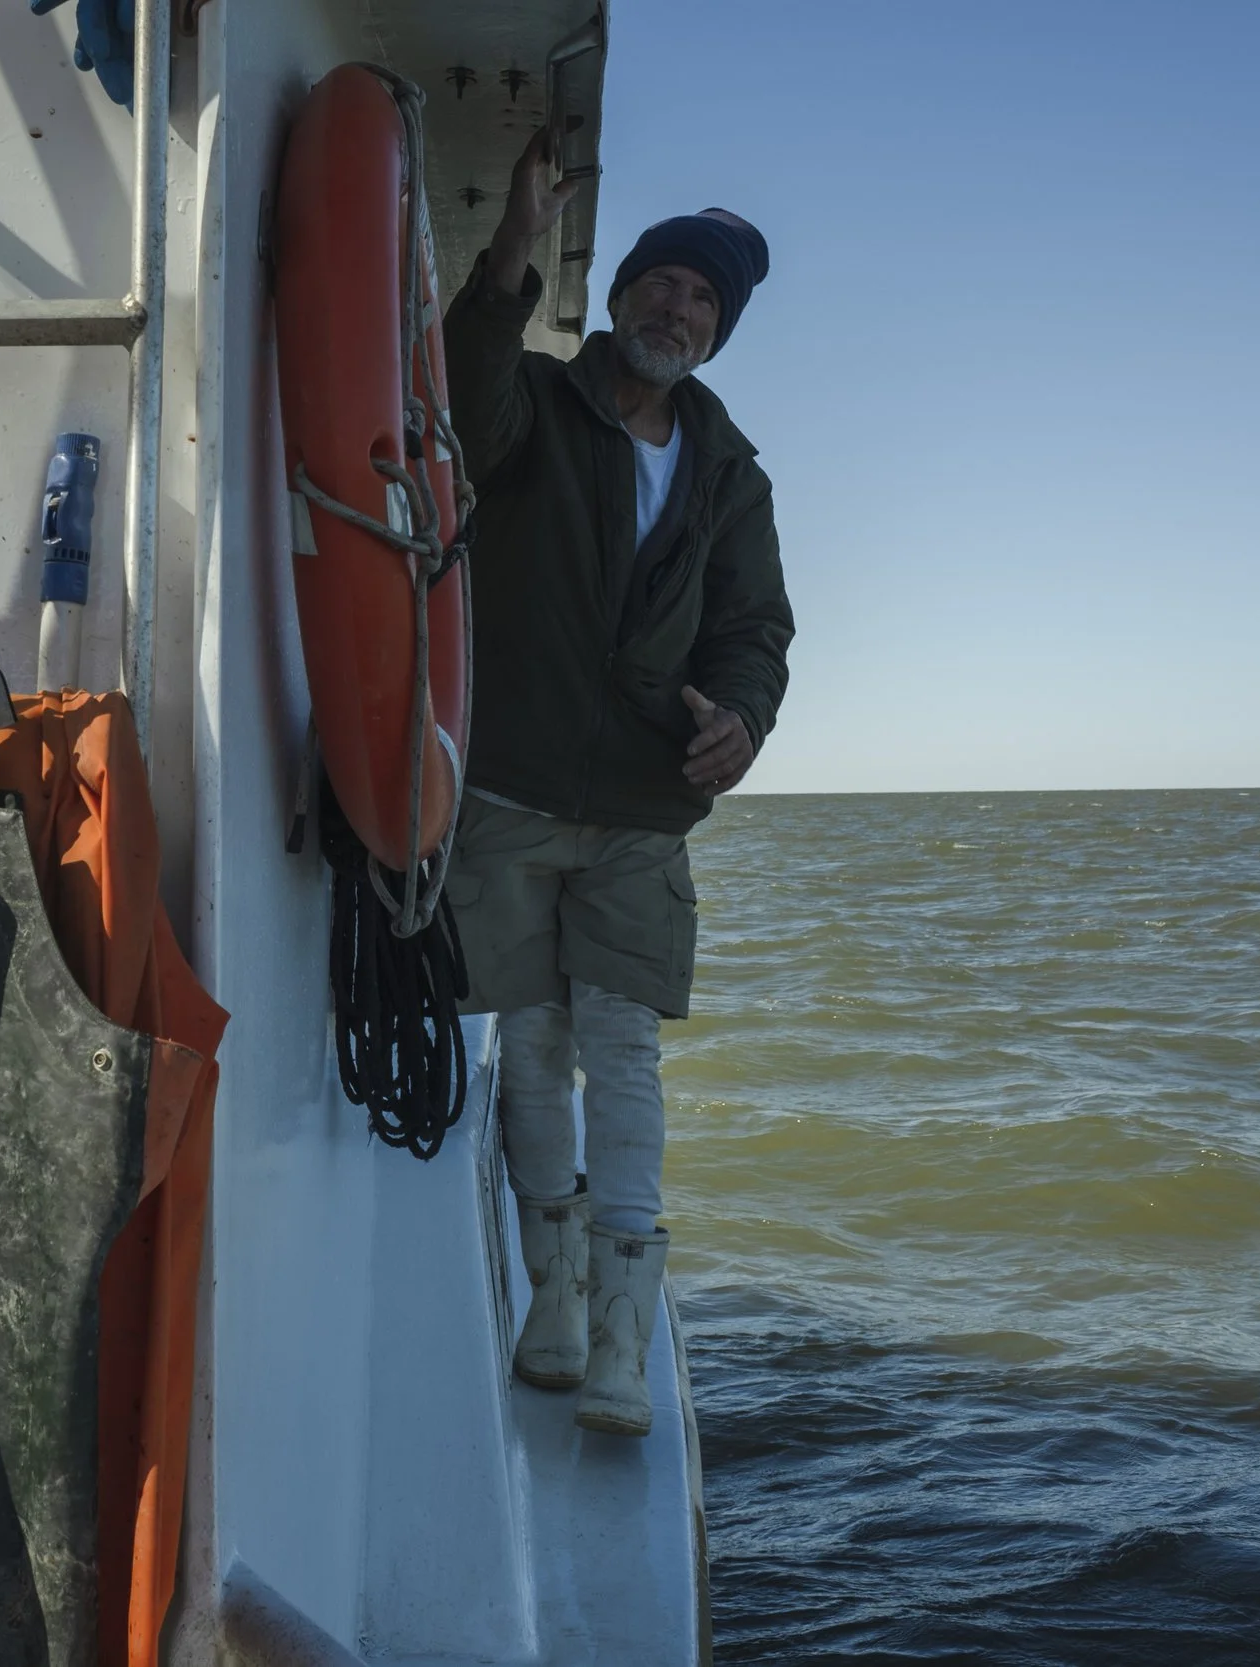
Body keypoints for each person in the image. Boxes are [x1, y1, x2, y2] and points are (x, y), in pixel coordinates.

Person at [442, 129, 794, 1437]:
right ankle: (552, 1301)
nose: (678, 307)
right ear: (625, 290)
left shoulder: (729, 469)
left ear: (718, 332)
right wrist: (515, 248)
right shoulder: (536, 398)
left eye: (704, 299)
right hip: (514, 786)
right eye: (663, 281)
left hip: (645, 806)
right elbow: (455, 410)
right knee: (531, 1047)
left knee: (621, 1055)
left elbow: (757, 625)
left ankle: (622, 1345)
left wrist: (743, 718)